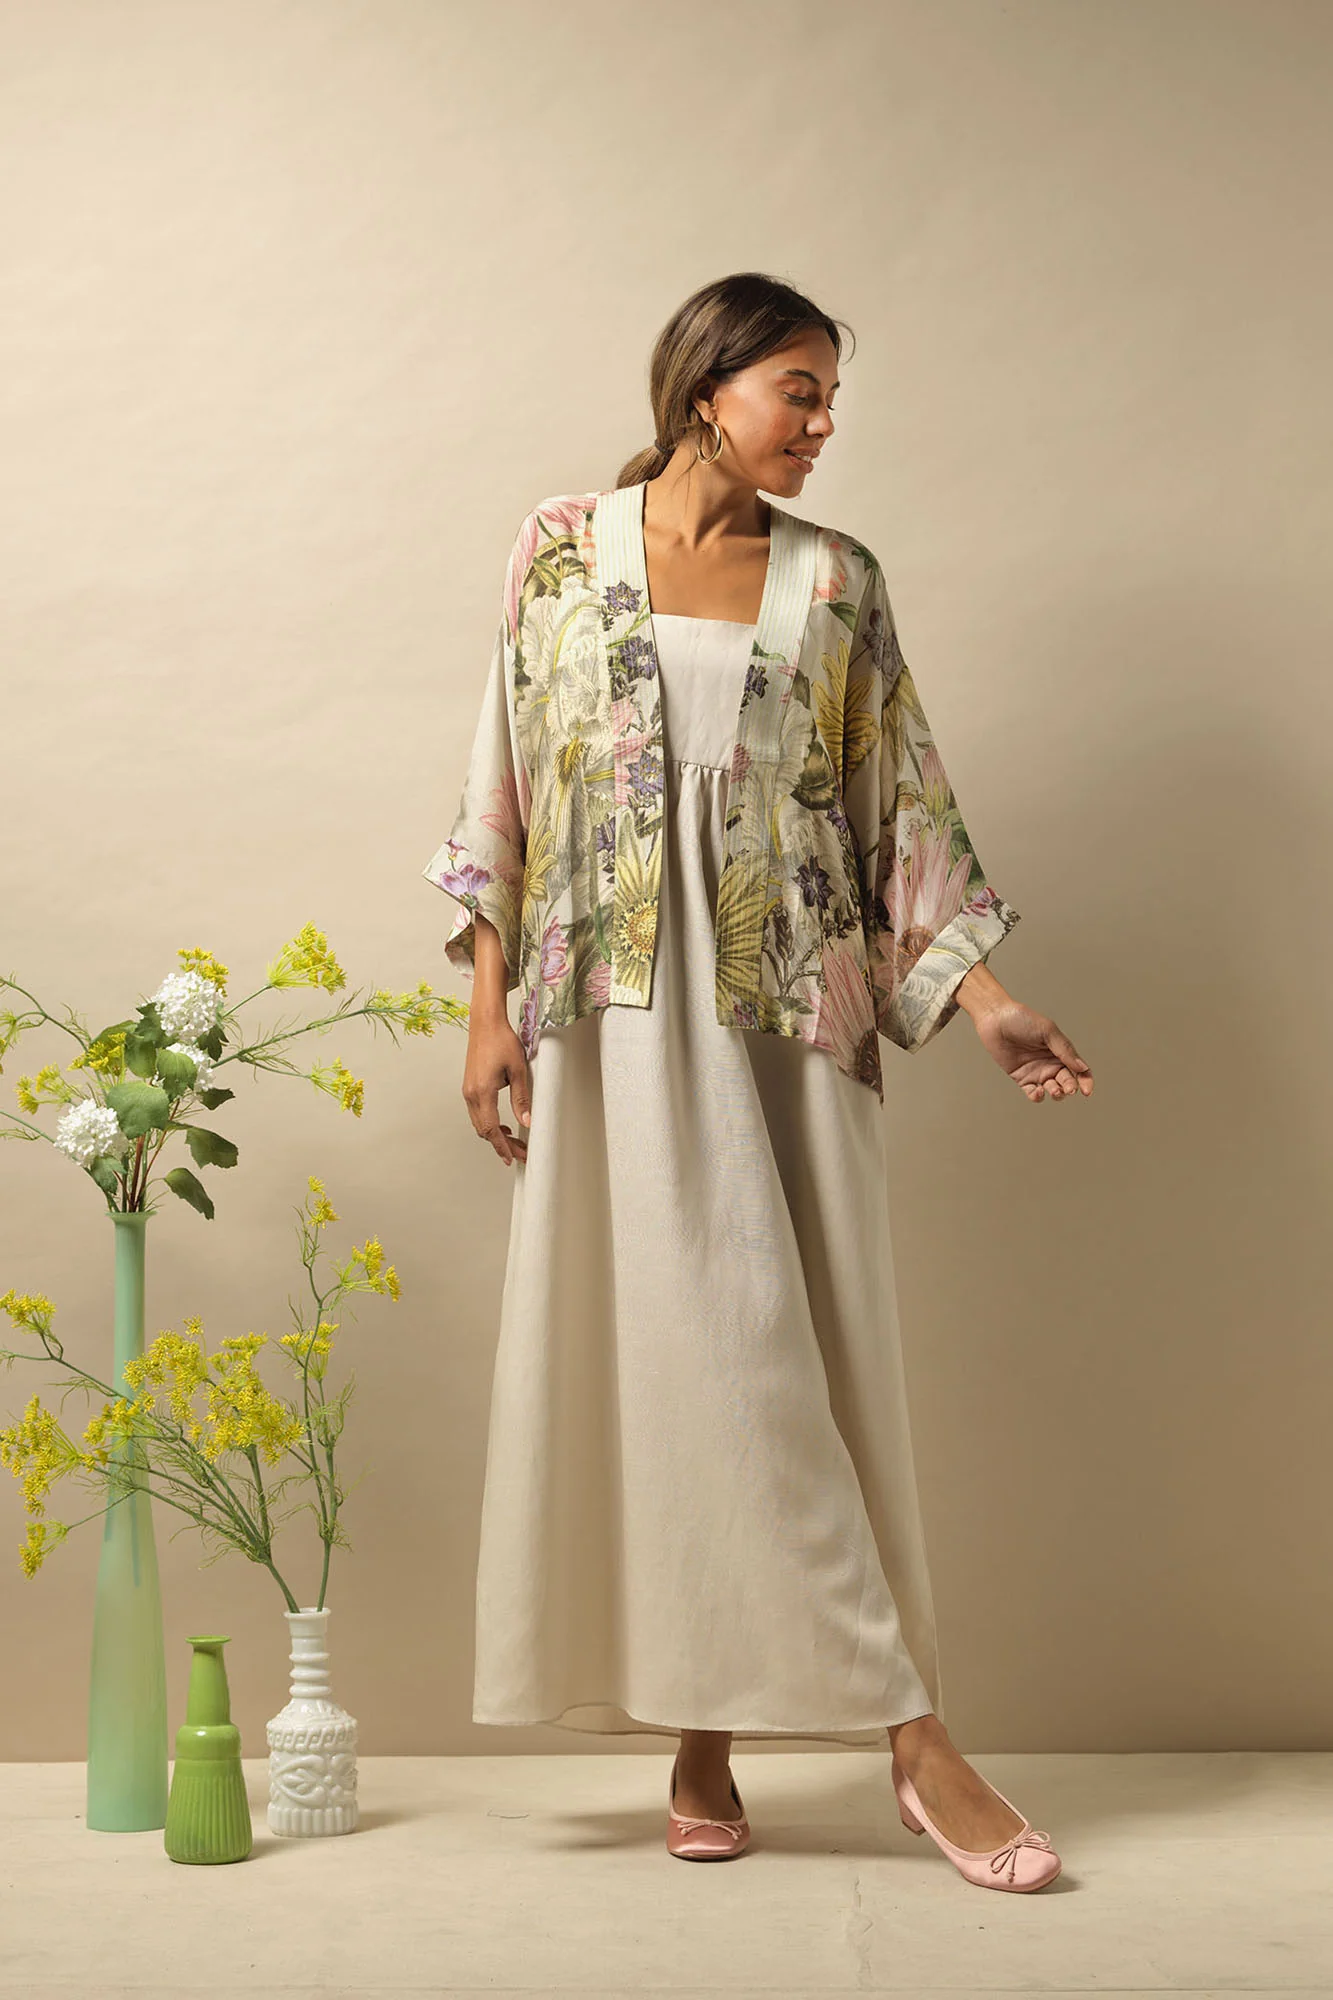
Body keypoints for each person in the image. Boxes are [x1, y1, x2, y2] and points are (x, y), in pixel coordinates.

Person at [426, 272, 1093, 1891]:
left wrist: (988, 1001)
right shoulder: (558, 549)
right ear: (706, 387)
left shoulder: (839, 582)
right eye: (799, 389)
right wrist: (487, 1011)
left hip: (790, 1024)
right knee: (668, 1370)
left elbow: (900, 809)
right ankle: (727, 1740)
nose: (823, 422)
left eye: (829, 396)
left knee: (789, 1369)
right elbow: (505, 781)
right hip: (605, 1024)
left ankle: (898, 1733)